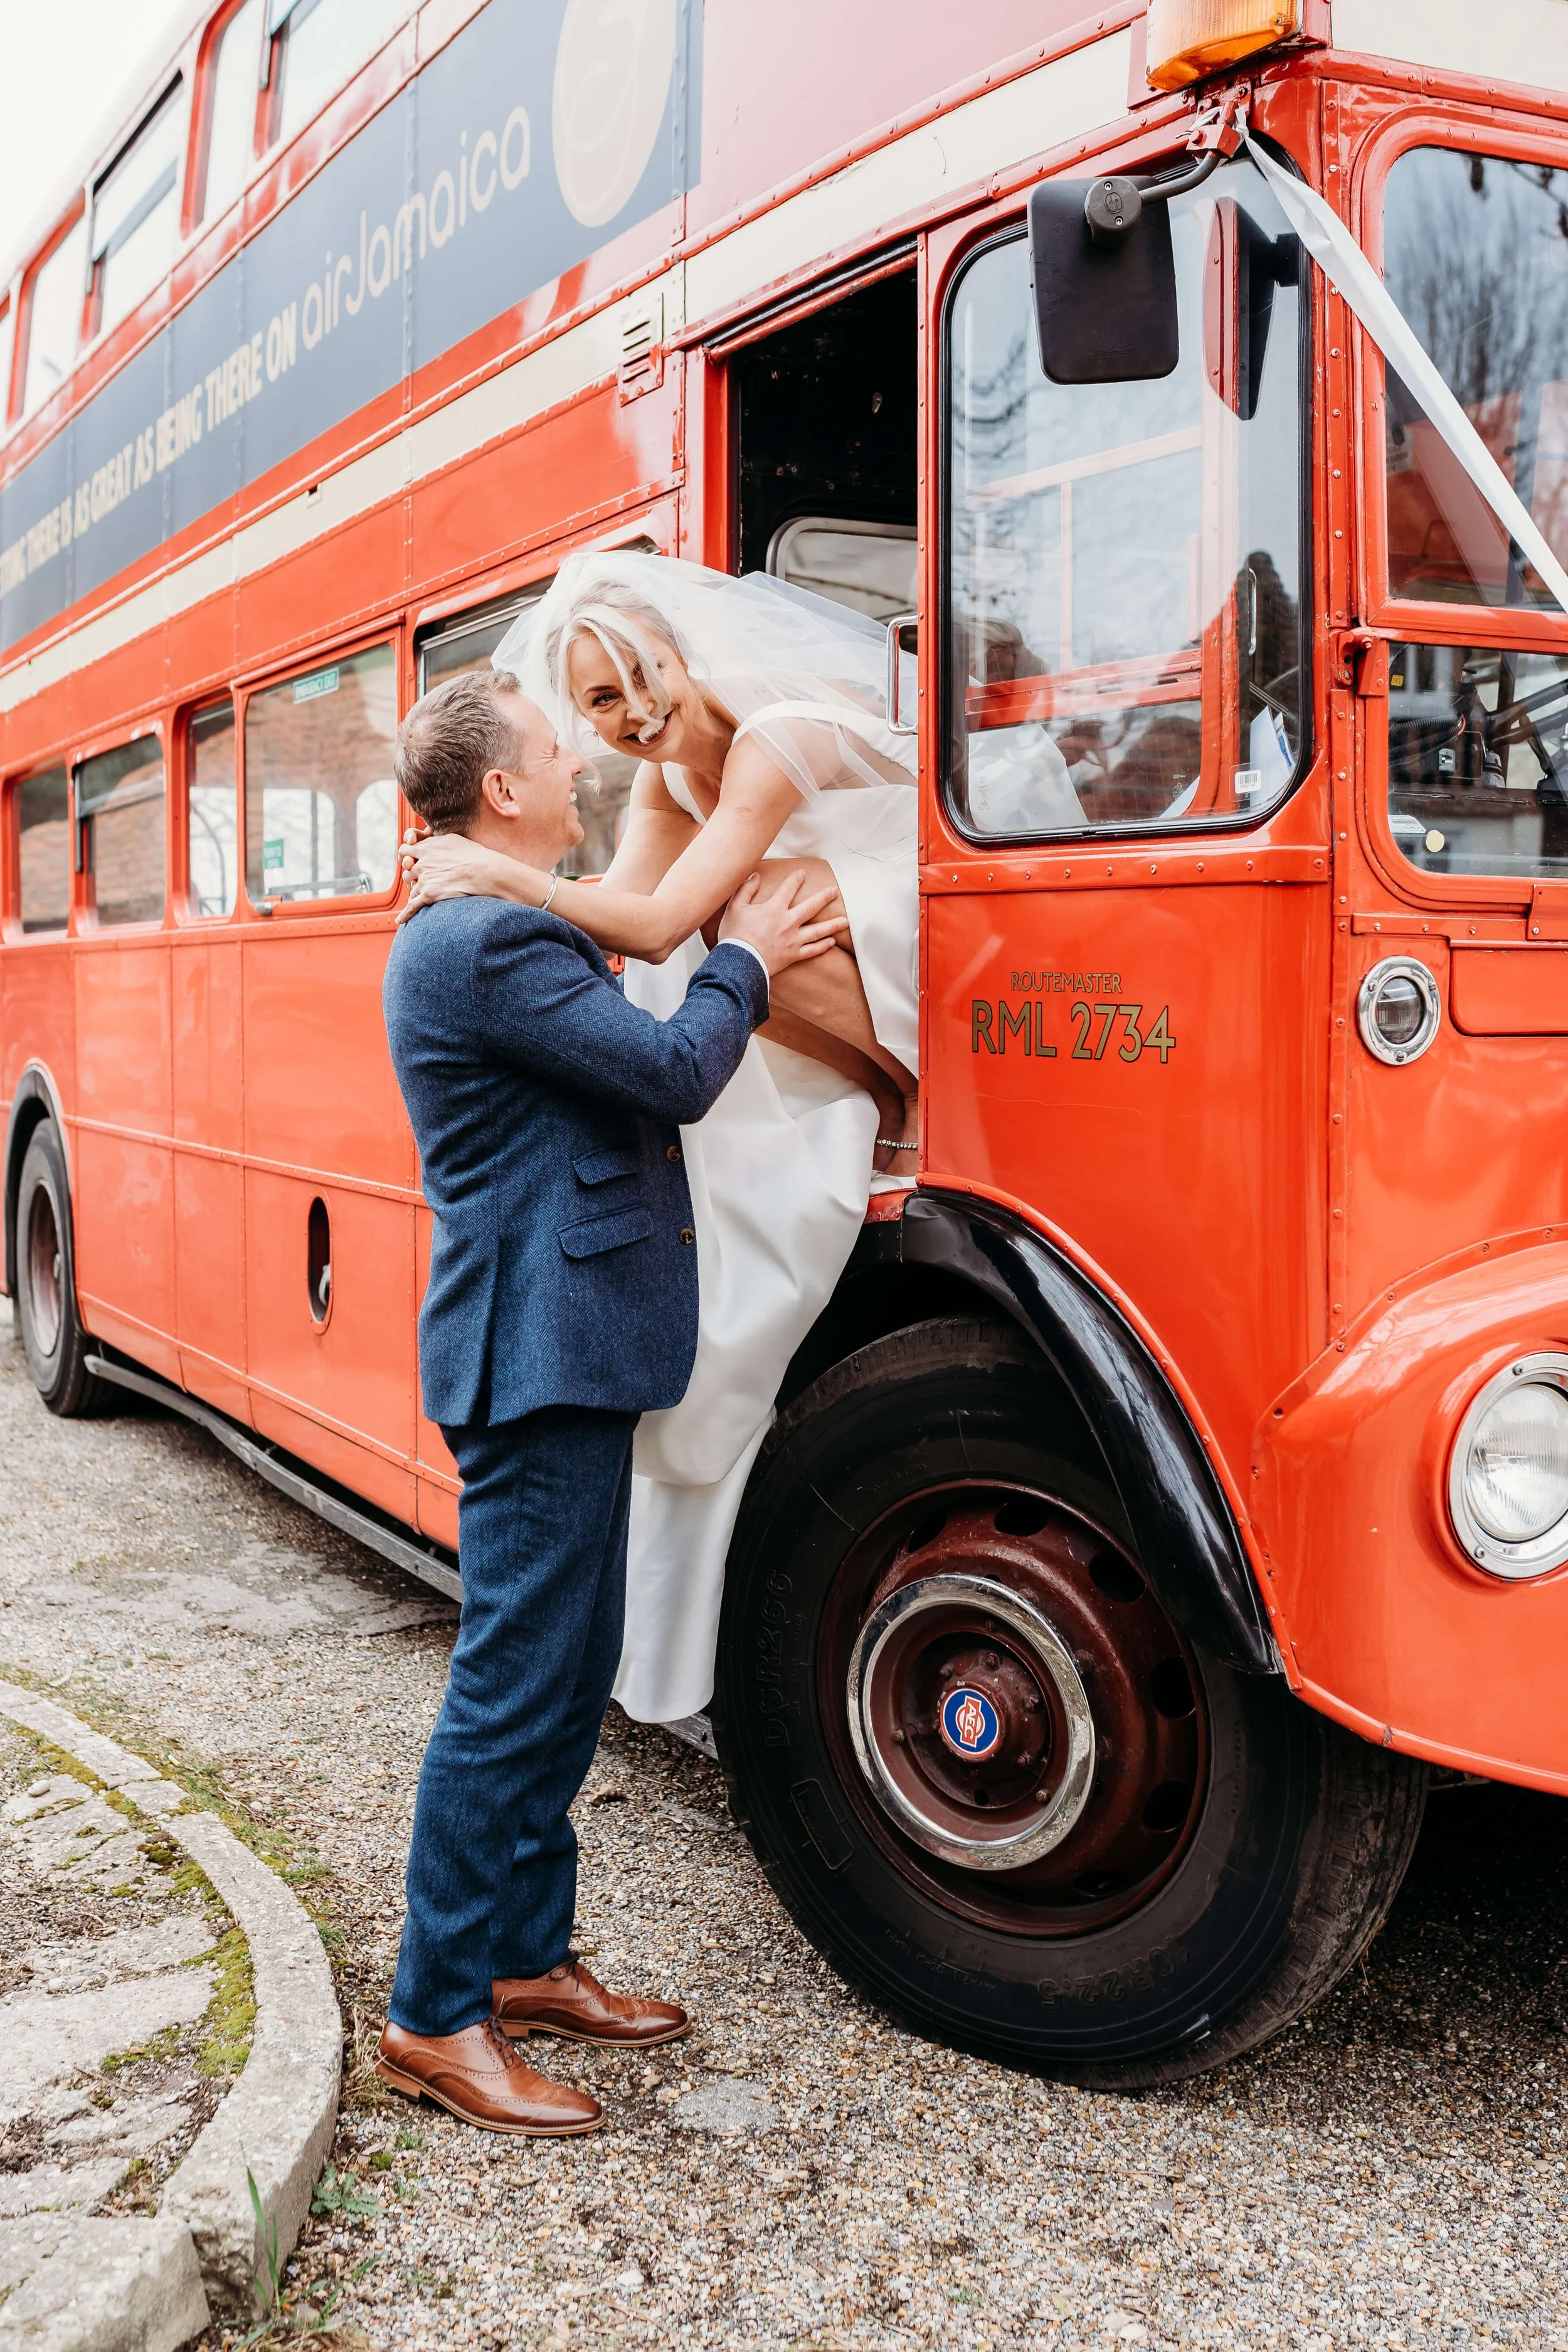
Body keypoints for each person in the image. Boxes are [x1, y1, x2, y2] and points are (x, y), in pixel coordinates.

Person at [375, 665, 846, 2135]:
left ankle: (523, 1960)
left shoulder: (509, 919)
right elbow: (670, 1071)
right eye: (550, 747)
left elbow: (623, 956)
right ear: (500, 791)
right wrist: (748, 954)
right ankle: (433, 2014)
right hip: (536, 1354)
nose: (572, 762)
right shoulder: (477, 944)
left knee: (567, 1674)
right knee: (514, 1691)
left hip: (565, 1343)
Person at [396, 553, 918, 1727]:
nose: (629, 719)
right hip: (785, 956)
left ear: (681, 650)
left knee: (742, 914)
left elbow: (670, 918)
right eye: (594, 707)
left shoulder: (773, 737)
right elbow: (630, 927)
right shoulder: (652, 780)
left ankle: (905, 1094)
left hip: (904, 916)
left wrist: (501, 876)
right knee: (698, 972)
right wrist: (526, 894)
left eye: (641, 680)